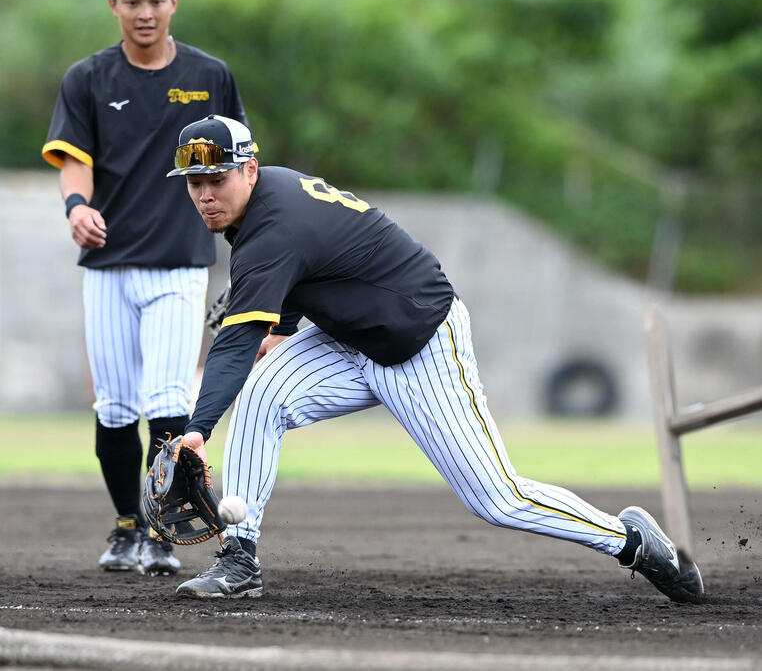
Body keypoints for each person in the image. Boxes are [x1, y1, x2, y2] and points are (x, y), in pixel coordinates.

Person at [165, 114, 704, 604]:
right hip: (350, 338)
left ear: (250, 170)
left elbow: (239, 337)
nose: (207, 194)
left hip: (420, 342)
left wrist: (198, 430)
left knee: (499, 500)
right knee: (262, 396)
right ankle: (239, 559)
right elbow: (302, 276)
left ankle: (631, 541)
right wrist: (278, 330)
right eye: (196, 183)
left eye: (219, 180)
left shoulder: (271, 229)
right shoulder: (265, 203)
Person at [41, 0, 248, 576]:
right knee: (114, 406)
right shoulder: (88, 78)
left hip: (180, 261)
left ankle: (161, 528)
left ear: (174, 2)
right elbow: (74, 162)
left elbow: (240, 164)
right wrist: (77, 208)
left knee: (166, 397)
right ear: (114, 5)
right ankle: (126, 523)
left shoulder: (211, 76)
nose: (145, 10)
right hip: (108, 264)